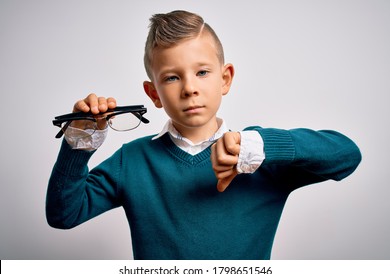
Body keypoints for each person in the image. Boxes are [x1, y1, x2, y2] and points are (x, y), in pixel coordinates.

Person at [46, 10, 361, 260]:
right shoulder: (133, 160)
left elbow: (347, 156)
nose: (190, 88)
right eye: (172, 77)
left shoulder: (260, 155)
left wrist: (261, 146)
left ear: (225, 79)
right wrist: (79, 140)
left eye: (202, 72)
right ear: (153, 94)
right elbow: (64, 214)